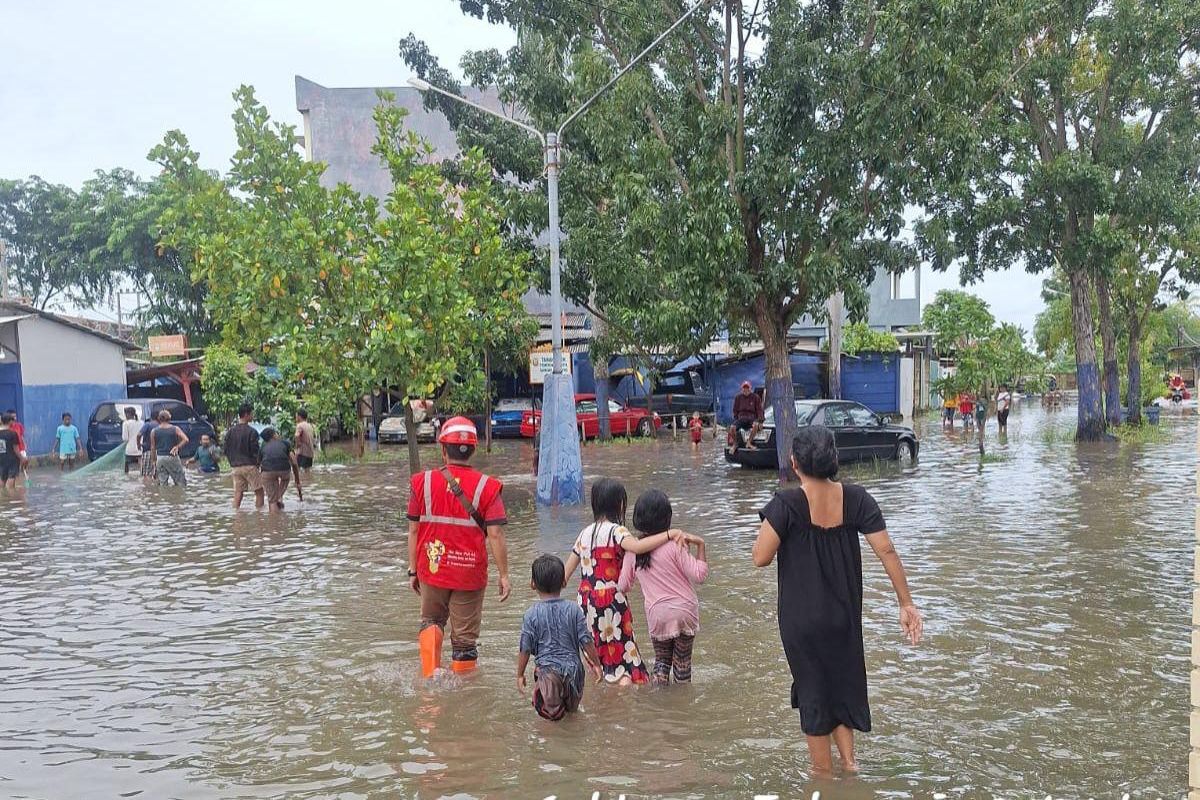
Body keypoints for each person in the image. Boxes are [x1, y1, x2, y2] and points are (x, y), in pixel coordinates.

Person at [752, 425, 922, 776]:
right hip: (844, 615)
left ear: (794, 462)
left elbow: (760, 557)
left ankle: (823, 776)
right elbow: (886, 550)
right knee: (840, 685)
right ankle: (850, 764)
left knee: (814, 694)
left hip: (802, 622)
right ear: (834, 459)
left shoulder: (787, 503)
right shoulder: (857, 498)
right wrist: (906, 603)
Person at [408, 416, 511, 677]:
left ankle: (430, 680)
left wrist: (412, 569)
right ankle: (463, 696)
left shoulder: (422, 482)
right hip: (469, 573)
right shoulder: (489, 487)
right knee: (464, 640)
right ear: (473, 450)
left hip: (433, 567)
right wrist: (504, 575)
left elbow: (413, 529)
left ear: (443, 449)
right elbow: (496, 533)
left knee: (431, 621)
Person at [563, 478, 686, 685]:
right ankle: (624, 699)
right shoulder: (617, 531)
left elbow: (565, 576)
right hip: (611, 599)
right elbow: (637, 547)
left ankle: (603, 700)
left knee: (600, 654)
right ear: (619, 504)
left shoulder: (583, 534)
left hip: (585, 602)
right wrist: (669, 534)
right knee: (623, 654)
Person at [618, 490, 708, 684]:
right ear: (667, 518)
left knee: (661, 663)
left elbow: (623, 586)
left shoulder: (633, 551)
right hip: (685, 611)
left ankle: (659, 705)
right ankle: (684, 706)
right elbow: (699, 575)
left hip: (657, 614)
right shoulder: (676, 545)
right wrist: (700, 545)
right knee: (683, 664)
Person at [517, 554, 603, 721]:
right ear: (564, 582)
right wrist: (597, 664)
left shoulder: (531, 614)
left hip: (549, 674)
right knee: (572, 714)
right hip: (575, 672)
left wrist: (520, 674)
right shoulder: (574, 609)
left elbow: (525, 648)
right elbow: (586, 641)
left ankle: (552, 745)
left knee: (551, 721)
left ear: (532, 584)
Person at [225, 403, 264, 510]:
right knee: (259, 492)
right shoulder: (252, 432)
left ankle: (236, 517)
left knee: (238, 493)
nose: (253, 416)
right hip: (250, 466)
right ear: (246, 414)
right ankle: (260, 516)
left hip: (235, 467)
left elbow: (226, 450)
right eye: (252, 414)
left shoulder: (230, 432)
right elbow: (255, 451)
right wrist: (258, 464)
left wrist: (232, 463)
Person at [259, 427, 301, 510]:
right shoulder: (285, 443)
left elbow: (259, 464)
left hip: (267, 471)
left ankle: (274, 518)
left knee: (272, 501)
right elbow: (294, 462)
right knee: (280, 489)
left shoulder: (263, 447)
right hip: (284, 471)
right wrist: (297, 479)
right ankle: (279, 498)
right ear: (274, 435)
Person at [150, 409, 189, 487]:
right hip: (172, 456)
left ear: (159, 419)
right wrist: (177, 446)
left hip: (160, 458)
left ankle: (164, 498)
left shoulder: (154, 431)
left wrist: (153, 461)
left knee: (162, 484)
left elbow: (153, 448)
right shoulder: (175, 429)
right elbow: (186, 439)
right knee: (181, 482)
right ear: (169, 418)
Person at [732, 381, 764, 448]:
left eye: (747, 388)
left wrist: (760, 421)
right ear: (742, 389)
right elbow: (735, 410)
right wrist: (735, 420)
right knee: (732, 428)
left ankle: (749, 443)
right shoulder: (738, 397)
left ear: (750, 389)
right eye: (744, 388)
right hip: (741, 418)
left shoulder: (756, 397)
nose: (746, 390)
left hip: (751, 418)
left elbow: (760, 410)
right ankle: (735, 444)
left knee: (755, 425)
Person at [0, 413, 22, 489]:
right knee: (10, 481)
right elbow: (15, 449)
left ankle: (2, 498)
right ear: (10, 422)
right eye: (12, 420)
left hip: (1, 459)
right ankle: (10, 498)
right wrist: (22, 458)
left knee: (2, 479)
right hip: (12, 460)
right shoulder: (12, 434)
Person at [121, 407, 142, 474]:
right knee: (141, 467)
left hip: (130, 449)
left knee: (126, 469)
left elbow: (125, 438)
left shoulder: (126, 423)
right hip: (140, 448)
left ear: (128, 414)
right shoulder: (141, 422)